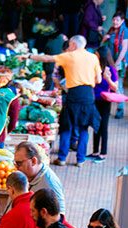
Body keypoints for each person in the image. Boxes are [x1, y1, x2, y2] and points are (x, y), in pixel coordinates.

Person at [39, 35, 101, 166]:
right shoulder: (93, 57)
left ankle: (62, 158)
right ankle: (80, 159)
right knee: (84, 129)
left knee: (67, 126)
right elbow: (99, 79)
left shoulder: (69, 56)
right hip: (88, 96)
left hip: (73, 95)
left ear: (73, 44)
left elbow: (47, 58)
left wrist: (28, 56)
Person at [14, 142, 66, 213]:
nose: (16, 168)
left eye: (19, 163)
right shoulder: (28, 176)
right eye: (15, 163)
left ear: (33, 161)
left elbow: (59, 214)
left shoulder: (50, 184)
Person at [91, 47, 119, 159]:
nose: (95, 56)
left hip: (105, 100)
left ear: (101, 56)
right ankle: (95, 152)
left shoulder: (111, 69)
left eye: (96, 54)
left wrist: (107, 78)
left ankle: (103, 153)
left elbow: (115, 87)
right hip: (95, 99)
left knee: (103, 126)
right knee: (95, 125)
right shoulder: (95, 67)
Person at [103, 11, 128, 116]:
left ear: (122, 21)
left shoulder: (125, 31)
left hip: (119, 62)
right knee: (108, 84)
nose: (115, 22)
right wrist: (105, 38)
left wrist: (116, 63)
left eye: (117, 20)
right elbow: (103, 45)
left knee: (118, 85)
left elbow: (124, 49)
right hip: (109, 62)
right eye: (113, 19)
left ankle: (120, 109)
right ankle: (106, 107)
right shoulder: (111, 30)